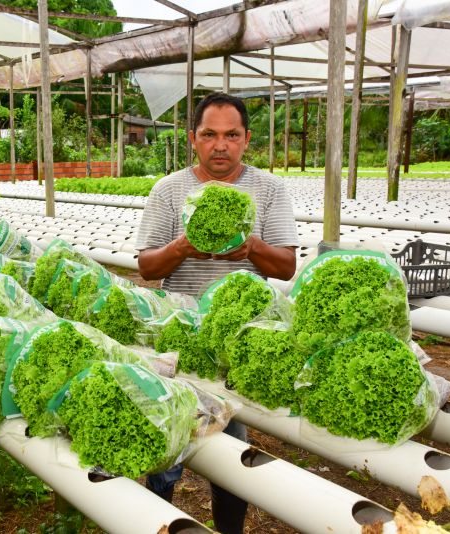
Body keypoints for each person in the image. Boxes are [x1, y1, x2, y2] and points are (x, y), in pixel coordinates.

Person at [135, 92, 299, 534]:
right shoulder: (169, 190)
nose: (220, 145)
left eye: (231, 135)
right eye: (209, 135)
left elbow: (286, 265)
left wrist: (253, 247)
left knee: (231, 451)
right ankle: (159, 522)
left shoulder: (268, 189)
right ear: (193, 139)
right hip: (179, 340)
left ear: (246, 140)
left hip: (239, 344)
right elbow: (147, 267)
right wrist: (183, 246)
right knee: (167, 445)